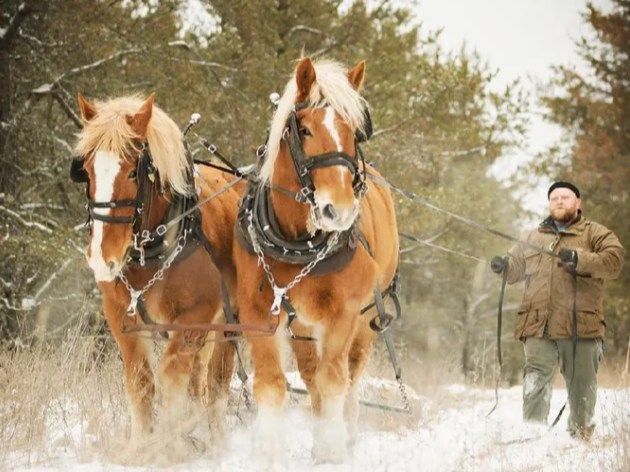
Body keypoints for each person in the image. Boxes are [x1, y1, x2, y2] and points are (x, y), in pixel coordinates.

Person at [490, 181, 624, 440]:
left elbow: (614, 262)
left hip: (581, 326)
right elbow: (516, 266)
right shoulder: (532, 236)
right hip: (538, 324)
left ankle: (581, 438)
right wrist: (504, 266)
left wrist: (580, 259)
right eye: (554, 198)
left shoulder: (596, 233)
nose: (559, 201)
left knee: (582, 385)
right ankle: (532, 437)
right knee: (535, 380)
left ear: (578, 202)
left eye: (565, 197)